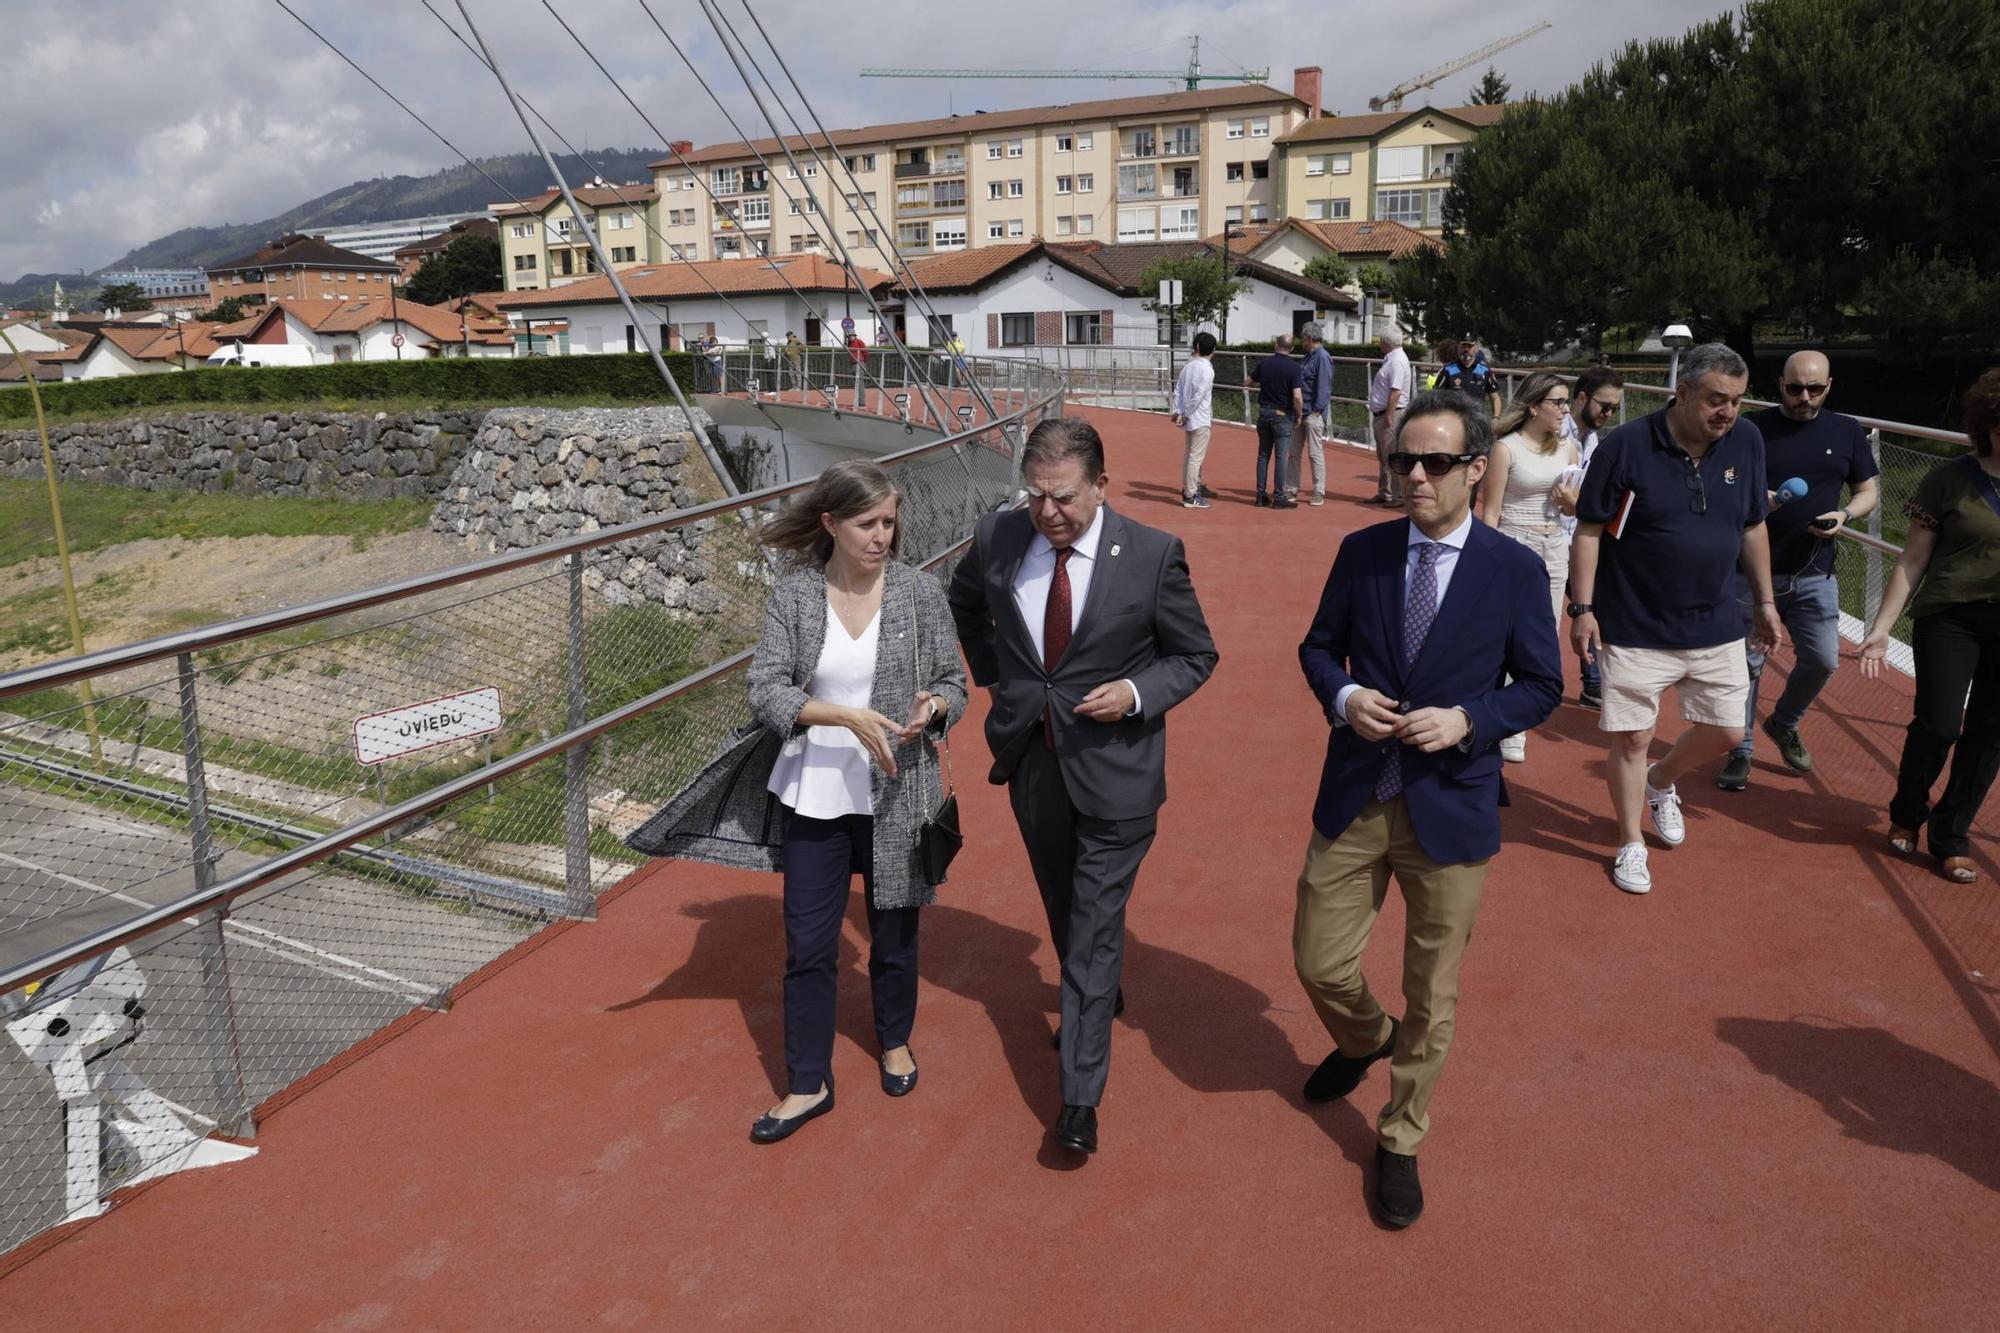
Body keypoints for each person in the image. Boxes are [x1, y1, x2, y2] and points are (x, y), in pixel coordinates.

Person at [625, 461, 966, 1144]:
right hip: (816, 795)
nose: (882, 536)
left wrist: (935, 705)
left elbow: (954, 680)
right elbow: (767, 690)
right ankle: (808, 1081)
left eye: (890, 523)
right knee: (808, 945)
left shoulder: (919, 592)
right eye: (868, 523)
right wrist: (845, 718)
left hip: (899, 793)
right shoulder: (797, 595)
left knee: (895, 931)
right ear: (831, 523)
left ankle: (894, 1040)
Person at [1294, 390, 1563, 1229]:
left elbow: (1544, 686)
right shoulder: (1363, 549)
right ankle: (1366, 1035)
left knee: (1433, 992)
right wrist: (1342, 696)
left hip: (1452, 803)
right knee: (1318, 959)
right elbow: (1315, 647)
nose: (1414, 474)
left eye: (1435, 462)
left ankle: (1401, 1137)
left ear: (1474, 468)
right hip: (1357, 790)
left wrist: (1472, 719)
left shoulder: (1514, 569)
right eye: (1404, 459)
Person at [947, 417, 1218, 1157]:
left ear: (1101, 484)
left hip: (1118, 773)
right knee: (1066, 906)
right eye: (1035, 496)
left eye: (1063, 497)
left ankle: (1078, 1098)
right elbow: (965, 600)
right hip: (1033, 761)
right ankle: (1095, 990)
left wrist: (1134, 692)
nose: (1048, 512)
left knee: (1095, 928)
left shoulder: (1154, 556)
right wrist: (997, 677)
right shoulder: (999, 536)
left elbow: (1195, 655)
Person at [1569, 343, 1784, 895]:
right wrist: (1583, 608)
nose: (1728, 413)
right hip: (1635, 620)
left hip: (1714, 619)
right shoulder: (1626, 446)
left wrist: (1764, 602)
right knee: (1634, 740)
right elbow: (1590, 529)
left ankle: (1661, 783)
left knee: (1729, 730)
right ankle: (1630, 843)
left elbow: (1753, 525)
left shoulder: (1747, 440)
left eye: (1736, 401)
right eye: (1716, 400)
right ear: (1682, 393)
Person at [1859, 367, 2000, 885]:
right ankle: (1907, 811)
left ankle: (1952, 836)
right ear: (1986, 424)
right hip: (1951, 616)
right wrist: (1880, 627)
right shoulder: (1949, 479)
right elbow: (1912, 559)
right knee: (1939, 724)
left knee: (1989, 735)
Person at [1718, 351, 1880, 791]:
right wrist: (1759, 498)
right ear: (1780, 385)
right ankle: (1740, 750)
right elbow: (1722, 480)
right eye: (1794, 388)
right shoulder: (1751, 429)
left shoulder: (1847, 431)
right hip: (1750, 571)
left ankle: (1784, 722)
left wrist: (1845, 515)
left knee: (1823, 660)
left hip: (1815, 570)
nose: (1803, 397)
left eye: (1814, 389)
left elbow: (1868, 490)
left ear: (1829, 386)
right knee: (1746, 666)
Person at [1478, 372, 1581, 762]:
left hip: (1554, 546)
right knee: (1504, 634)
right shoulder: (1506, 449)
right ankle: (1500, 719)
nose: (1565, 410)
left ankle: (1516, 722)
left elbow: (1574, 509)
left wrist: (1570, 501)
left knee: (1543, 636)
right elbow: (1489, 511)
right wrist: (1485, 561)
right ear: (1534, 405)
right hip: (1512, 543)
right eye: (1558, 402)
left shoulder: (1568, 448)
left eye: (1567, 402)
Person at [1559, 365, 1626, 708]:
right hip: (1552, 541)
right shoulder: (1556, 434)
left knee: (1593, 607)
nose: (1609, 413)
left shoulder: (1595, 440)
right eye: (1604, 405)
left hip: (1580, 540)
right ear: (1582, 397)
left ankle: (1593, 682)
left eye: (1614, 408)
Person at [1246, 335, 1304, 508]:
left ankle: (1260, 495)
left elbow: (1248, 382)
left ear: (1275, 345)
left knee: (1263, 455)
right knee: (1281, 456)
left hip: (1264, 412)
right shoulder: (1294, 368)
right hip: (1282, 415)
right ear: (1291, 349)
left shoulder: (1265, 363)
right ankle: (1279, 496)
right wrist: (1299, 415)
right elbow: (1297, 396)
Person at [1170, 331, 1219, 509]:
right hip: (1200, 418)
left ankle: (1188, 489)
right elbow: (1198, 396)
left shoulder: (1188, 366)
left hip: (1190, 417)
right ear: (1212, 350)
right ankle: (1191, 494)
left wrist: (1178, 411)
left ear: (1196, 347)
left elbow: (1178, 390)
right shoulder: (1207, 369)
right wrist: (1185, 413)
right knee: (1195, 457)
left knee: (1189, 455)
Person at [1368, 328, 1415, 504]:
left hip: (1391, 414)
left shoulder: (1396, 361)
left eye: (1381, 340)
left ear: (1387, 343)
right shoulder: (1393, 359)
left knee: (1392, 455)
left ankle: (1397, 495)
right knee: (1383, 455)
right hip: (1384, 413)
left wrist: (1389, 415)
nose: (1379, 343)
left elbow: (1395, 392)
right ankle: (1385, 491)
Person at [1295, 322, 1334, 506]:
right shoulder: (1308, 357)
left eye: (1303, 338)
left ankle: (1319, 490)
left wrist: (1317, 411)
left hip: (1312, 412)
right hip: (1301, 411)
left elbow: (1324, 387)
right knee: (1293, 452)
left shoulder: (1322, 358)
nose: (1302, 341)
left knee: (1314, 453)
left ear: (1309, 339)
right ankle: (1291, 488)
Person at [1435, 335, 1500, 417]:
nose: (1466, 349)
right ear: (1458, 348)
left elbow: (1495, 398)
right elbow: (1436, 396)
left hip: (1478, 419)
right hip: (1455, 419)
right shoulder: (1448, 370)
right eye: (1463, 346)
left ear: (1476, 348)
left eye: (1469, 346)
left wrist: (1496, 417)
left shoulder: (1485, 370)